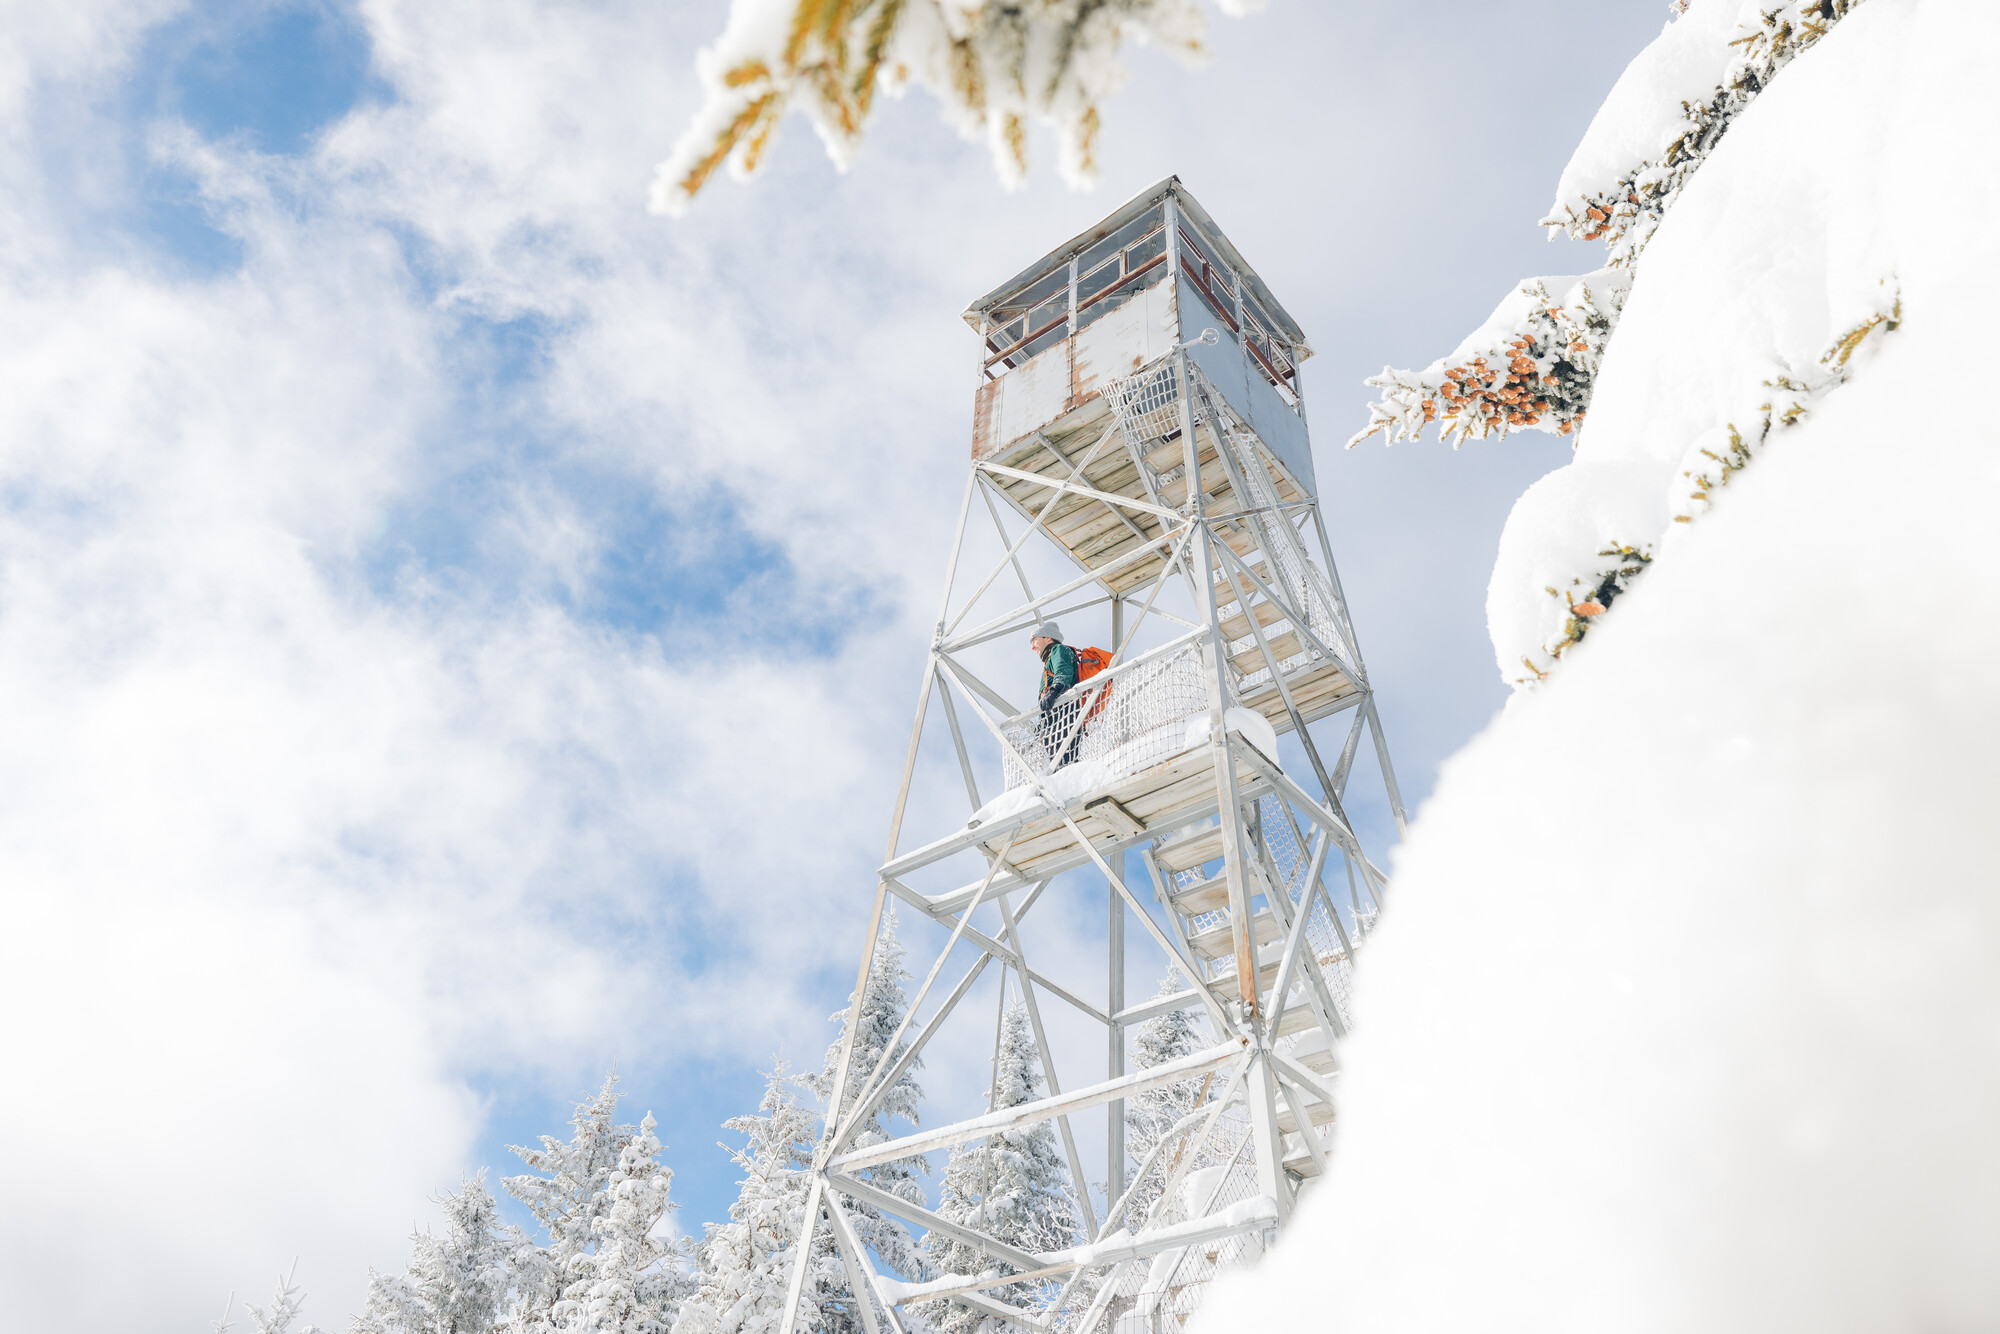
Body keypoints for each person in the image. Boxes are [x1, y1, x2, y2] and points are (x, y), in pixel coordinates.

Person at [1030, 621, 1083, 769]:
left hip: (1065, 712)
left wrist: (1055, 690)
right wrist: (1042, 724)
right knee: (1058, 760)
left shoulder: (1059, 650)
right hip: (1054, 718)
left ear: (1048, 638)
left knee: (1066, 759)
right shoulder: (1048, 662)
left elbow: (1063, 671)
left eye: (1035, 640)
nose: (1032, 646)